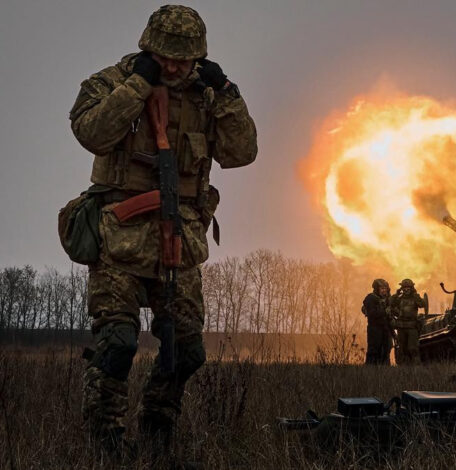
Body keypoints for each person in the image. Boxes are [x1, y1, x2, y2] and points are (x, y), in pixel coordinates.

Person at [68, 5, 257, 457]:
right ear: (148, 48)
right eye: (166, 57)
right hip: (121, 241)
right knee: (117, 344)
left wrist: (227, 92)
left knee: (187, 351)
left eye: (184, 59)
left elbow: (241, 152)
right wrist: (139, 84)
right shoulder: (112, 82)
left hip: (181, 241)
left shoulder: (208, 95)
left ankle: (157, 428)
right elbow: (91, 132)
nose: (174, 66)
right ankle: (106, 441)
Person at [390, 279, 426, 364]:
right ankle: (404, 368)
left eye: (408, 287)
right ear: (402, 288)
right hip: (401, 327)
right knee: (402, 349)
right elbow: (390, 304)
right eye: (404, 287)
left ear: (411, 288)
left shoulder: (415, 297)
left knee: (413, 348)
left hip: (412, 327)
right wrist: (396, 295)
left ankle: (416, 367)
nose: (406, 289)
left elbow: (423, 304)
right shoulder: (399, 298)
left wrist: (417, 297)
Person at [362, 279, 393, 365]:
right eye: (382, 288)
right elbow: (372, 314)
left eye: (385, 288)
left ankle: (385, 370)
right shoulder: (370, 298)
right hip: (375, 328)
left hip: (386, 328)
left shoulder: (387, 299)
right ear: (377, 289)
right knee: (374, 350)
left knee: (387, 349)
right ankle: (371, 370)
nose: (384, 290)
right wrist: (384, 312)